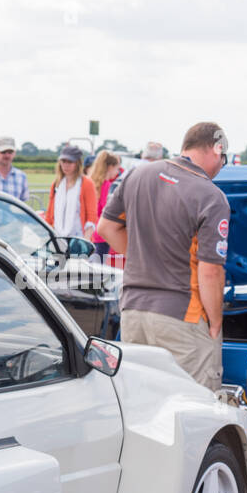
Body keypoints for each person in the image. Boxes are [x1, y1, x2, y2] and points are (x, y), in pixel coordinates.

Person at [98, 122, 232, 390]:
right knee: (195, 410)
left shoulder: (137, 175)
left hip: (134, 312)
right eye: (224, 160)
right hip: (182, 317)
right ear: (217, 149)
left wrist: (146, 255)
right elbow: (210, 271)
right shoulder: (210, 196)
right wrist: (216, 322)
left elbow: (106, 228)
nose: (221, 168)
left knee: (141, 403)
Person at [43, 146, 97, 241]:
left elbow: (91, 216)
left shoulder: (86, 183)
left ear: (77, 163)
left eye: (70, 162)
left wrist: (86, 241)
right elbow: (49, 215)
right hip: (57, 238)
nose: (66, 165)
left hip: (79, 238)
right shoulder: (57, 183)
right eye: (63, 161)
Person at [88, 151, 124, 262]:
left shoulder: (90, 183)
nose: (118, 172)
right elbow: (106, 211)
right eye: (117, 168)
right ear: (110, 167)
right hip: (101, 236)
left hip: (89, 233)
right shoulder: (107, 186)